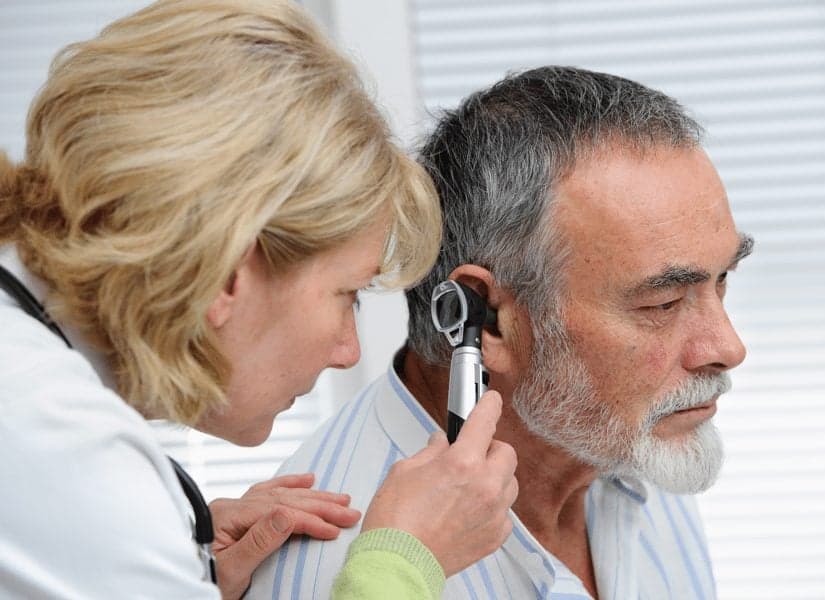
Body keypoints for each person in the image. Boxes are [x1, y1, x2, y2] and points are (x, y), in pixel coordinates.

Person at [0, 1, 518, 599]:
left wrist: (171, 558)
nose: (349, 353)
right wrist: (401, 561)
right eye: (346, 293)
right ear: (222, 275)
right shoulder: (70, 461)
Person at [248, 65, 754, 599]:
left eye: (721, 281)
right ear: (487, 318)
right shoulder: (325, 566)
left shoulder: (634, 437)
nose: (726, 347)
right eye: (664, 302)